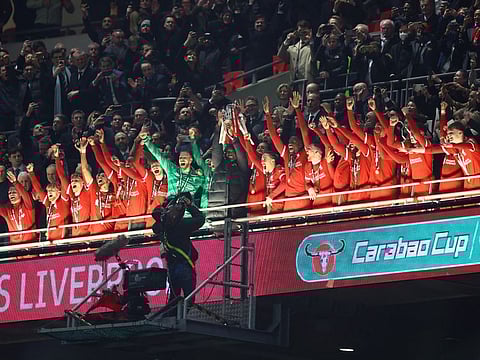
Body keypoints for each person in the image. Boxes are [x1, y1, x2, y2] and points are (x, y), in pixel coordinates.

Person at [152, 192, 205, 304]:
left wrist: (172, 205)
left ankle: (172, 317)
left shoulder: (161, 228)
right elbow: (200, 219)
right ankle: (180, 318)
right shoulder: (180, 226)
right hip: (185, 266)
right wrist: (190, 205)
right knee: (189, 298)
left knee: (173, 297)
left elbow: (157, 225)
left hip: (172, 267)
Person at [0, 170, 36, 244]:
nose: (11, 194)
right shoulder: (7, 209)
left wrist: (15, 182)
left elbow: (25, 195)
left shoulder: (27, 205)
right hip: (14, 246)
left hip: (30, 244)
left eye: (14, 192)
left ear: (20, 194)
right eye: (9, 193)